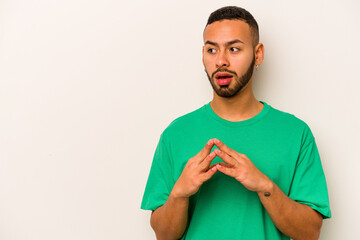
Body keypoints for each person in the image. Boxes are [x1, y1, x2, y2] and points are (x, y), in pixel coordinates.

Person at [141, 6, 331, 240]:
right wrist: (180, 193)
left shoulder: (296, 133)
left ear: (258, 54)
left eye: (234, 49)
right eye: (212, 50)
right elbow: (163, 235)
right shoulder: (175, 134)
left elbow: (310, 232)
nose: (221, 61)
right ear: (203, 55)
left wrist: (265, 186)